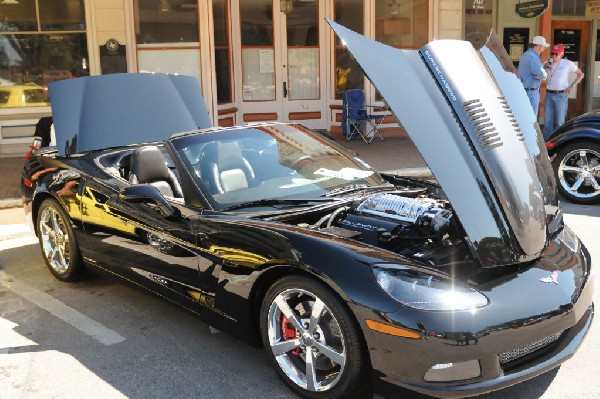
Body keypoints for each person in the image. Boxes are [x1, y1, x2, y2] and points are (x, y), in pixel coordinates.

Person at [543, 44, 585, 139]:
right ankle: (546, 146)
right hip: (549, 94)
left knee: (560, 123)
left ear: (562, 54)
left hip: (561, 95)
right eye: (552, 53)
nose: (553, 56)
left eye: (556, 54)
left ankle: (559, 145)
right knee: (547, 123)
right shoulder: (548, 63)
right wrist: (544, 66)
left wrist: (572, 86)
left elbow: (581, 74)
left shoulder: (567, 63)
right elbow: (541, 74)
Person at [517, 36, 550, 117]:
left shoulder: (527, 54)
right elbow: (542, 75)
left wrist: (540, 71)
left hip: (525, 91)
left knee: (525, 119)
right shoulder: (532, 56)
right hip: (530, 92)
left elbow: (536, 73)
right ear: (538, 46)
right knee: (531, 121)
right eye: (543, 46)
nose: (544, 48)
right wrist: (544, 73)